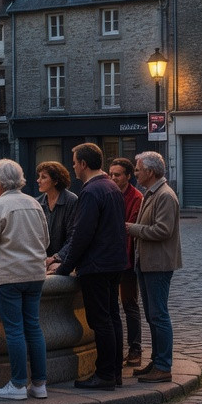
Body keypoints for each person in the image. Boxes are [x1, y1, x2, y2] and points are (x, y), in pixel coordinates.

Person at [51, 142, 127, 389]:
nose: (73, 166)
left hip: (97, 265)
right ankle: (114, 372)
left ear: (83, 164)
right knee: (112, 318)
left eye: (74, 162)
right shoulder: (111, 187)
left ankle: (104, 374)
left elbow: (82, 235)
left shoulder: (91, 191)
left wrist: (63, 267)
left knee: (100, 321)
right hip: (115, 263)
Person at [0, 159, 50, 401]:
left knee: (15, 329)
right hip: (35, 274)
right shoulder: (34, 204)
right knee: (33, 326)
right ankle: (39, 384)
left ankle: (18, 384)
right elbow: (46, 241)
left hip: (9, 275)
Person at [126, 151, 183, 384]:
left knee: (159, 315)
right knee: (152, 315)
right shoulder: (153, 193)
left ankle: (163, 365)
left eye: (138, 169)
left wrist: (133, 229)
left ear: (150, 172)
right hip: (147, 262)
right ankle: (157, 360)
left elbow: (163, 230)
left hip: (158, 264)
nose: (136, 173)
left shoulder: (165, 195)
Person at [109, 157, 144, 367]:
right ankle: (118, 348)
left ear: (128, 176)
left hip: (127, 260)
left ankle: (135, 349)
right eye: (111, 174)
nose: (113, 178)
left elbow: (129, 228)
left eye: (117, 174)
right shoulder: (111, 193)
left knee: (130, 304)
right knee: (113, 306)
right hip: (111, 258)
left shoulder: (136, 198)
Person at [36, 161, 78, 271]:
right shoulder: (37, 203)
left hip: (64, 260)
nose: (38, 180)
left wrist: (56, 257)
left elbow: (73, 236)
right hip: (42, 261)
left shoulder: (71, 200)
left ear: (55, 181)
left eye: (43, 177)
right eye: (39, 177)